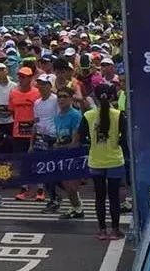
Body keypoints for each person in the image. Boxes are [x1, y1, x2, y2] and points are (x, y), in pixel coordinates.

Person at [80, 83, 127, 241]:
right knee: (114, 196)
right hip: (115, 160)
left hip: (96, 161)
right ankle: (115, 230)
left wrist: (92, 143)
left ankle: (102, 230)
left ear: (95, 97)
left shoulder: (88, 115)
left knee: (100, 197)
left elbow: (82, 137)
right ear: (112, 96)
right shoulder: (118, 114)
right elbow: (124, 137)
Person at [10, 67, 41, 201]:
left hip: (34, 132)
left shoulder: (37, 93)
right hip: (18, 133)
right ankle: (24, 188)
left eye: (24, 76)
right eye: (20, 76)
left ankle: (39, 189)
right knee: (22, 162)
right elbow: (12, 111)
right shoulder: (13, 93)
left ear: (30, 78)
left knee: (37, 161)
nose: (21, 79)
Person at [53, 87, 85, 219]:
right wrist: (56, 145)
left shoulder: (75, 115)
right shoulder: (57, 117)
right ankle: (76, 207)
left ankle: (77, 208)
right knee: (66, 184)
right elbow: (59, 136)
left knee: (71, 185)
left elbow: (75, 140)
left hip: (73, 155)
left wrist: (64, 147)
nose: (61, 99)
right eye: (59, 96)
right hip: (61, 154)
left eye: (65, 96)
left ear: (71, 99)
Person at [32, 75, 58, 211]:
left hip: (53, 138)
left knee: (52, 171)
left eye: (44, 84)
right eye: (39, 84)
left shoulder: (56, 100)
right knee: (43, 171)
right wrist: (31, 143)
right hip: (40, 139)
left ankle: (55, 198)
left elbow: (60, 118)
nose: (41, 87)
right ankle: (53, 198)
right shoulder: (37, 103)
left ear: (49, 85)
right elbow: (35, 123)